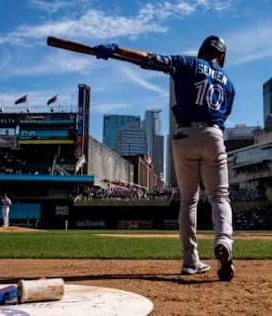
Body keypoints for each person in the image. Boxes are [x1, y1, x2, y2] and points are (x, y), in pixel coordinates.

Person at [92, 35, 236, 281]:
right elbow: (224, 115)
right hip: (213, 134)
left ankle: (191, 261)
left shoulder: (188, 63)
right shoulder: (229, 84)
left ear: (202, 50)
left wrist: (118, 50)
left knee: (189, 200)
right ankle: (224, 243)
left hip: (183, 135)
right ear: (221, 56)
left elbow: (149, 59)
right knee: (219, 197)